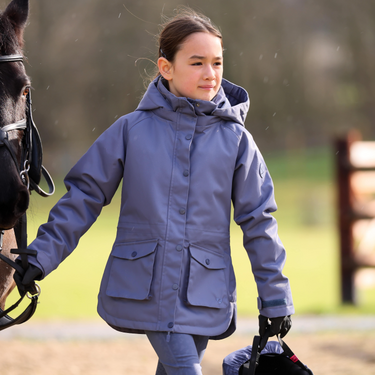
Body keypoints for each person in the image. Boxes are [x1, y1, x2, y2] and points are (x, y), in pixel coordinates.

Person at [14, 8, 294, 375]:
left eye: (217, 63)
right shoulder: (130, 130)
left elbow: (259, 221)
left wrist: (275, 299)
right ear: (166, 67)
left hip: (203, 292)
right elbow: (83, 198)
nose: (210, 74)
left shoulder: (238, 141)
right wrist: (42, 255)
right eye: (197, 63)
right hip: (145, 288)